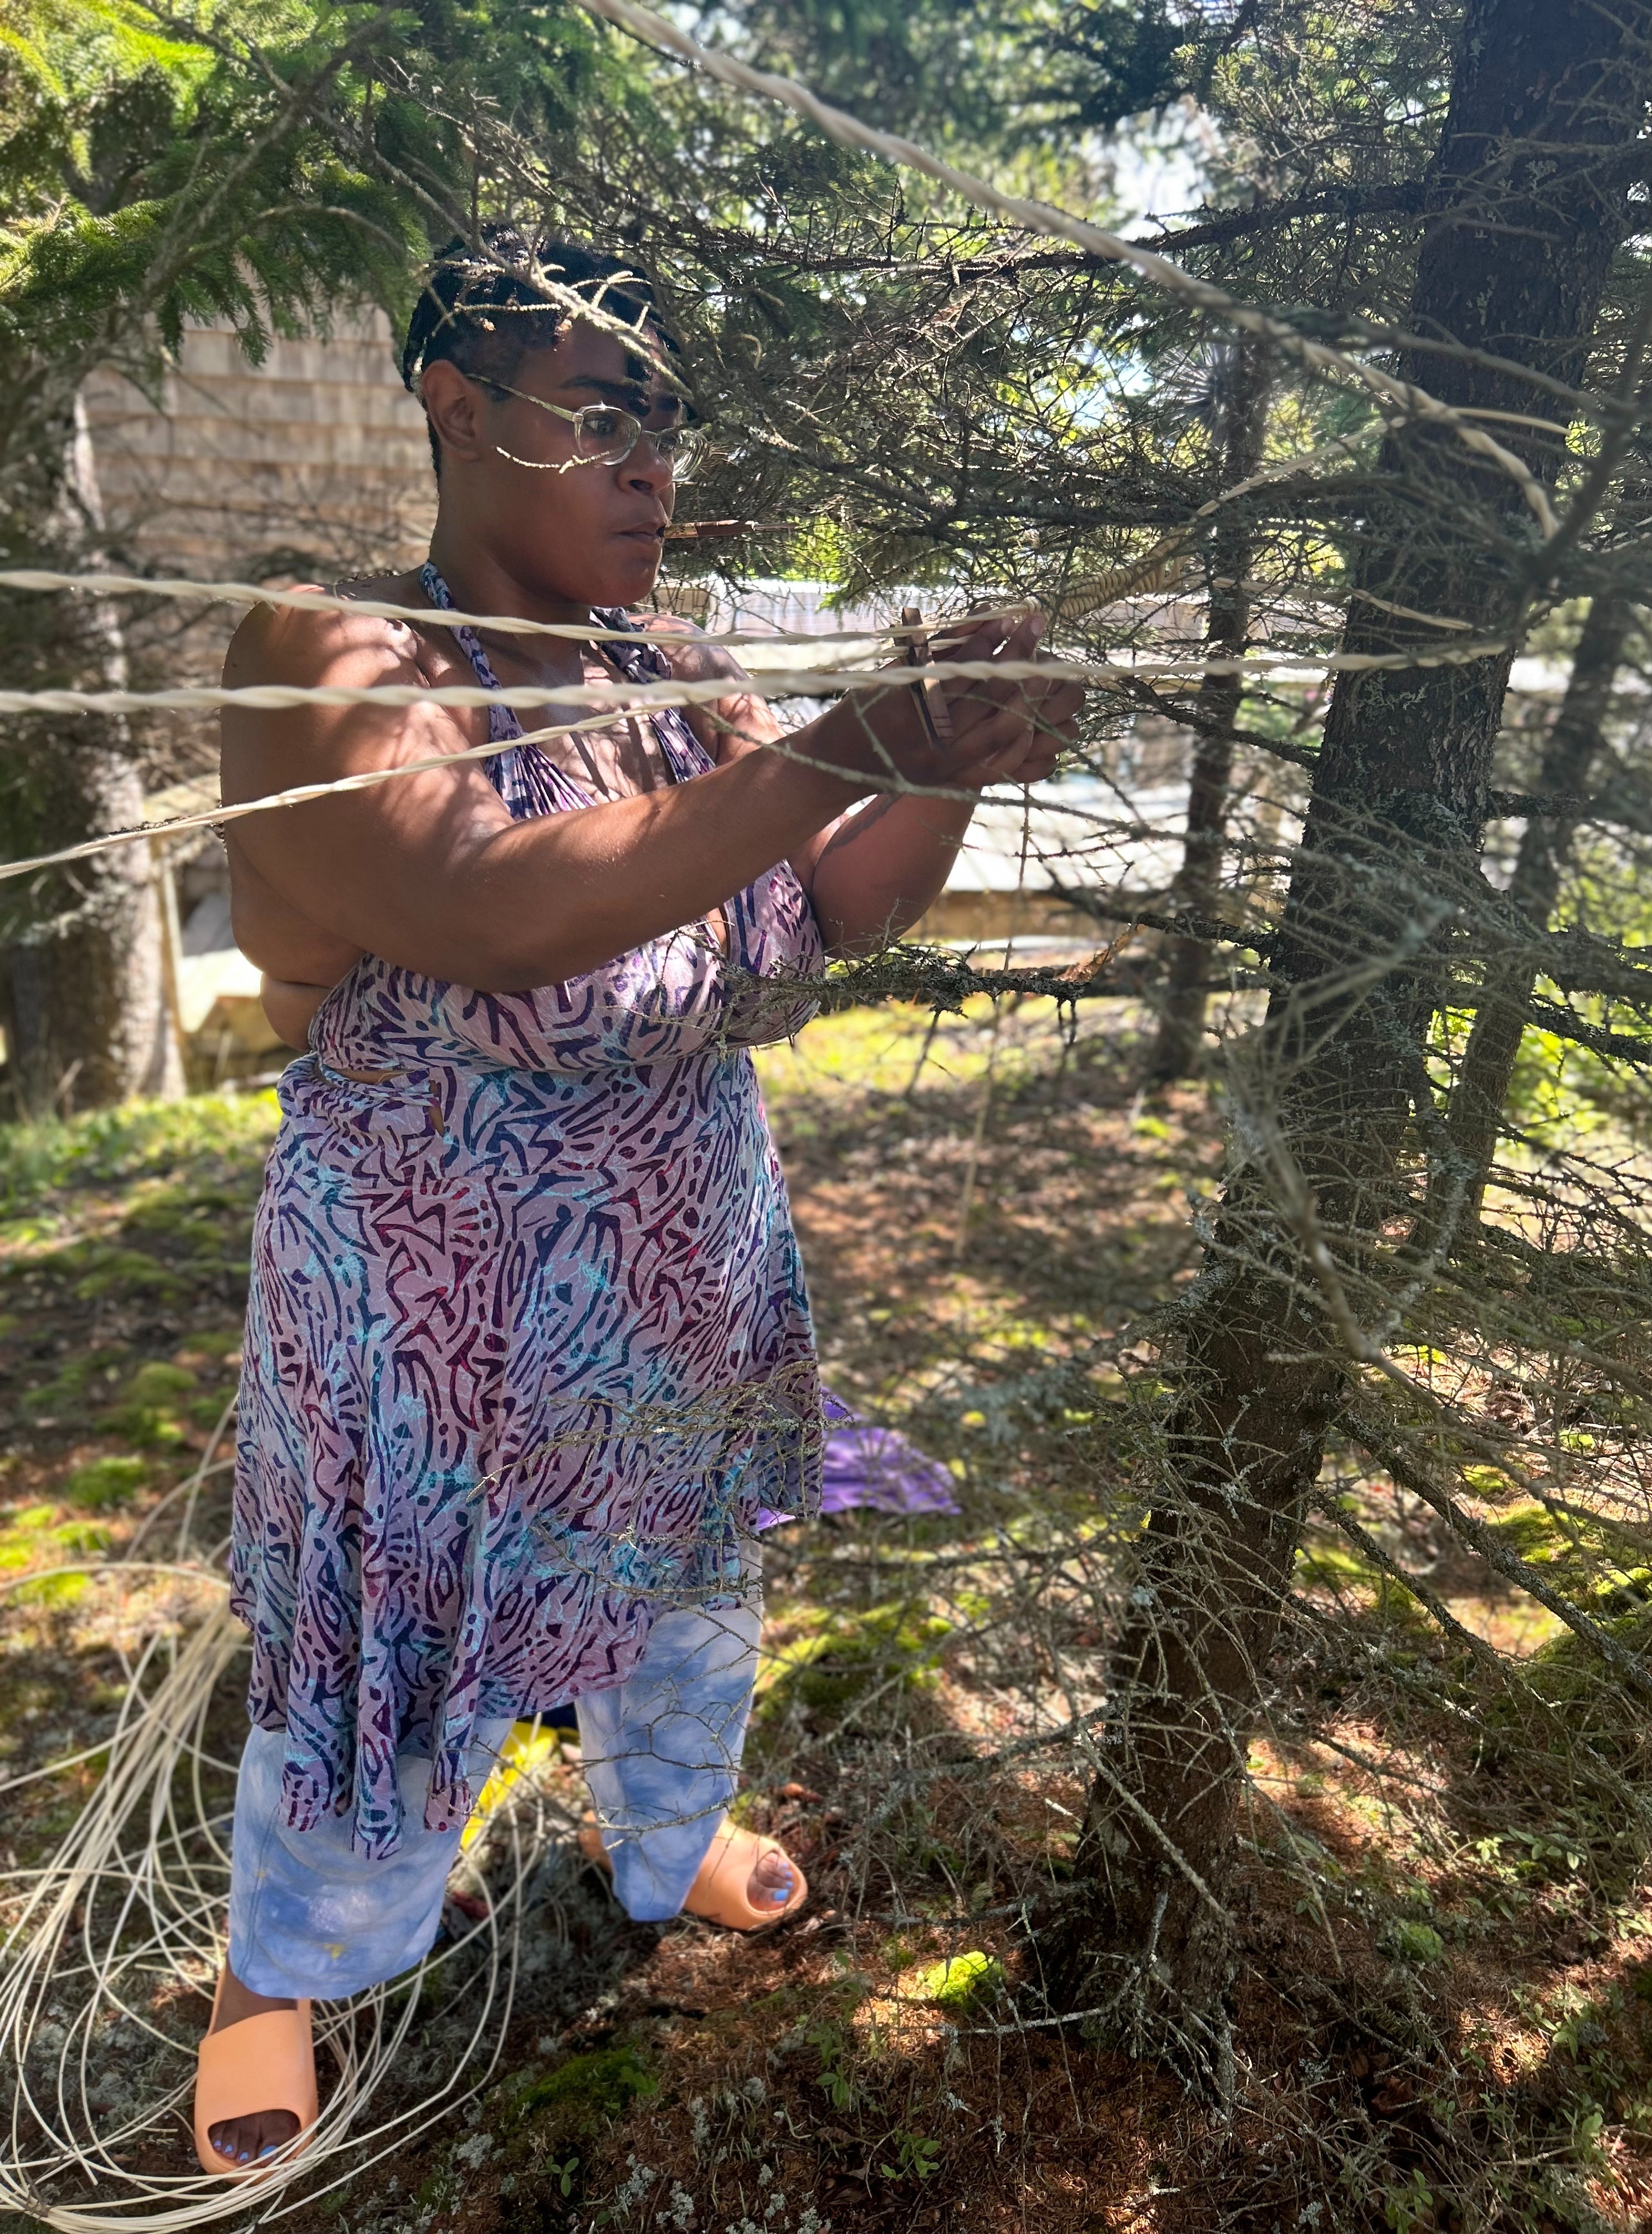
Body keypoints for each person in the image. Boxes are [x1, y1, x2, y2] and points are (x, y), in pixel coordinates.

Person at [198, 228, 1081, 2177]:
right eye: (605, 416)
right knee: (387, 1623)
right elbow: (492, 910)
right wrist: (850, 744)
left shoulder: (673, 671)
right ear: (455, 407)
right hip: (427, 1303)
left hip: (684, 1255)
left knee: (681, 1588)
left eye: (667, 428)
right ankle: (283, 1965)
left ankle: (662, 1834)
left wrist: (951, 760)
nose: (653, 467)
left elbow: (821, 914)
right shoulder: (328, 650)